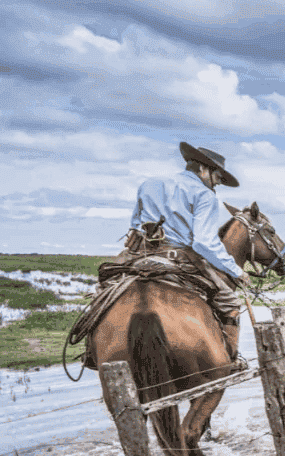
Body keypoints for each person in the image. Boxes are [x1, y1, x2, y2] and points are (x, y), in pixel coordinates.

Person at [98, 142, 251, 362]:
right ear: (203, 169)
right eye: (217, 176)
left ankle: (91, 351)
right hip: (179, 258)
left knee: (103, 291)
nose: (217, 183)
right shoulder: (205, 195)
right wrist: (236, 271)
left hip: (140, 255)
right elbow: (204, 243)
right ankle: (230, 360)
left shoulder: (149, 184)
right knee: (230, 302)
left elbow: (135, 224)